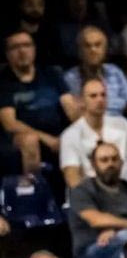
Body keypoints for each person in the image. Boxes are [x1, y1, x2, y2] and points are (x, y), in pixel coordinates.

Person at [1, 29, 77, 174]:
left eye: (26, 45)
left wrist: (76, 132)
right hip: (24, 138)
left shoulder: (52, 74)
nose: (22, 51)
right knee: (30, 140)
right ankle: (34, 187)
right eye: (15, 47)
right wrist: (48, 139)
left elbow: (71, 108)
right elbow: (9, 123)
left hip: (60, 134)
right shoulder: (4, 82)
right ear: (7, 54)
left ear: (34, 49)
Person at [59, 78, 127, 188]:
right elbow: (72, 178)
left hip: (121, 188)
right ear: (81, 101)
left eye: (103, 95)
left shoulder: (122, 124)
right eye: (93, 96)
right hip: (90, 191)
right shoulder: (69, 135)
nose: (100, 99)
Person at [64, 26, 127, 128]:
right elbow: (75, 117)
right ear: (80, 51)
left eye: (97, 45)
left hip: (121, 128)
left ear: (105, 49)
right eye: (87, 46)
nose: (93, 50)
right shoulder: (70, 77)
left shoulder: (115, 72)